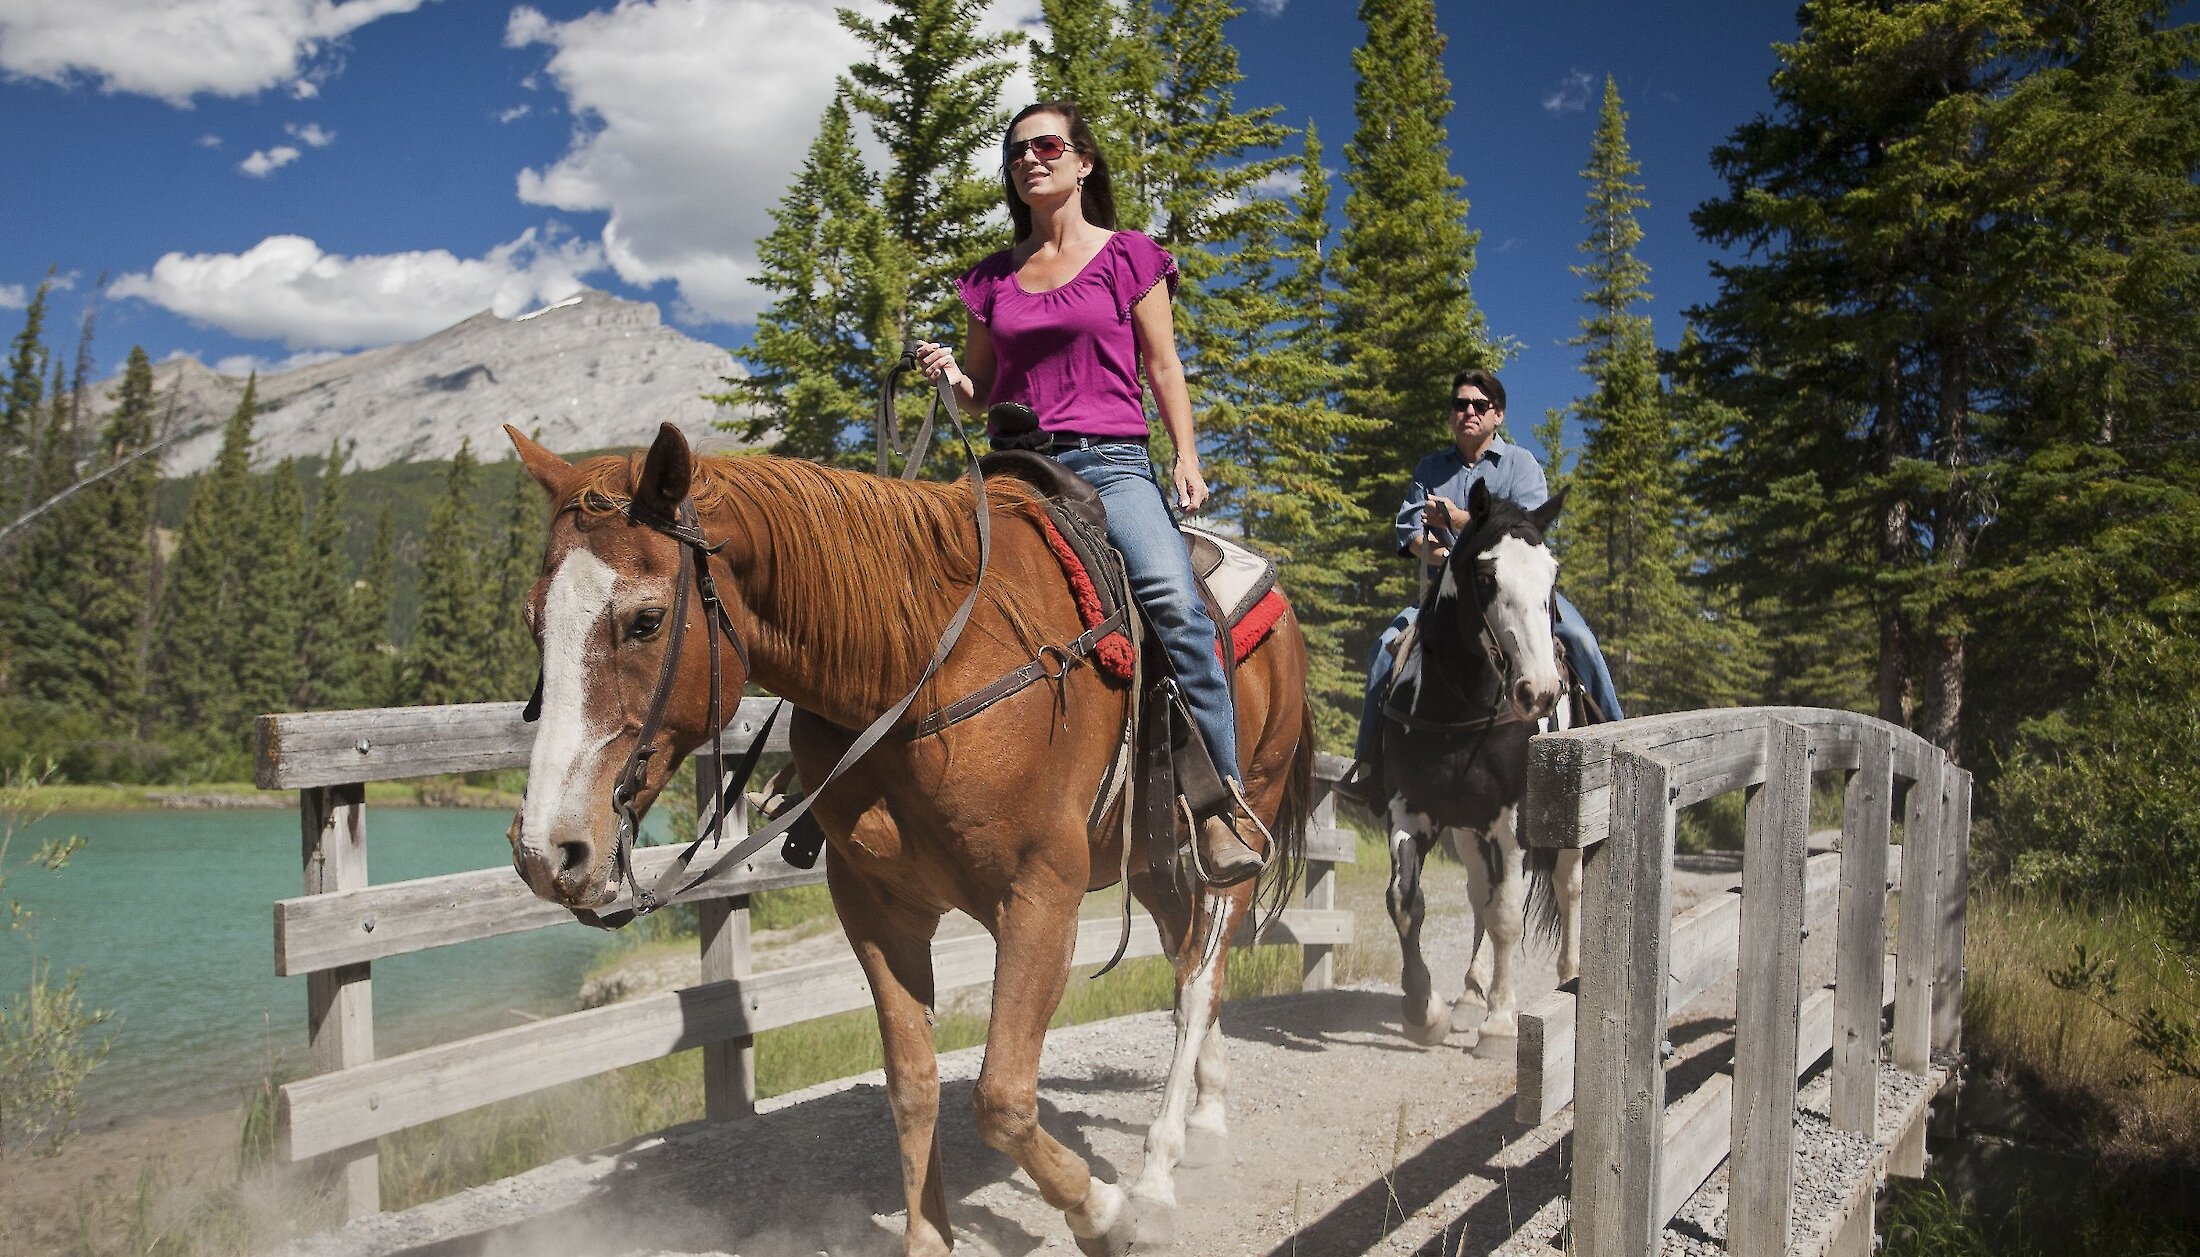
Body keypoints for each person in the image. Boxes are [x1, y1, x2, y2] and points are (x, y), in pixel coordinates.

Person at [912, 100, 1270, 885]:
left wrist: (1187, 456)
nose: (1030, 160)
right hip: (1010, 468)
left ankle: (1221, 804)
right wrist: (953, 377)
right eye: (1017, 154)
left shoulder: (1129, 257)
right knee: (912, 578)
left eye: (1046, 146)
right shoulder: (991, 279)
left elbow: (1164, 366)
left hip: (1109, 466)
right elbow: (982, 391)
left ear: (1082, 163)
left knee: (1174, 603)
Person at [1338, 368, 1624, 806]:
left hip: (1518, 589)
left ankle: (1620, 748)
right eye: (1460, 405)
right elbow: (1408, 531)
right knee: (1383, 650)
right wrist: (1433, 547)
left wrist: (1456, 521)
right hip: (1449, 592)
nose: (1468, 412)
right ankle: (1371, 768)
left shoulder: (1521, 466)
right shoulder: (1430, 469)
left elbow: (1526, 531)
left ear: (1498, 416)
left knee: (1581, 640)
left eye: (1480, 405)